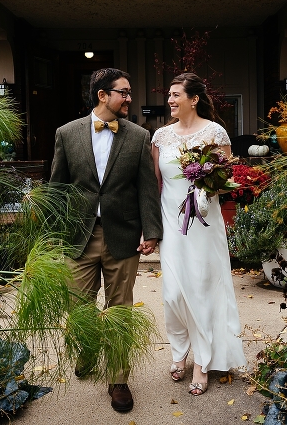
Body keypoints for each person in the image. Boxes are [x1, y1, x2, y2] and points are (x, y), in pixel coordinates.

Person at [50, 67, 163, 413]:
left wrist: (152, 232)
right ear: (103, 95)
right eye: (124, 92)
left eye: (129, 92)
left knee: (120, 311)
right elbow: (57, 188)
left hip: (123, 235)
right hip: (78, 237)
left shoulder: (138, 136)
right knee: (77, 307)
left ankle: (118, 380)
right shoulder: (67, 134)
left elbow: (146, 188)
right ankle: (85, 352)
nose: (130, 98)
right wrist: (53, 236)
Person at [151, 72, 247, 396]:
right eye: (169, 94)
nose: (170, 100)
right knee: (173, 294)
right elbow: (155, 185)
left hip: (204, 224)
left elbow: (224, 178)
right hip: (171, 224)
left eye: (176, 94)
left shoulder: (215, 133)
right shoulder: (160, 137)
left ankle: (202, 362)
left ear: (193, 99)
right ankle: (179, 350)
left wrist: (206, 181)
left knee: (203, 289)